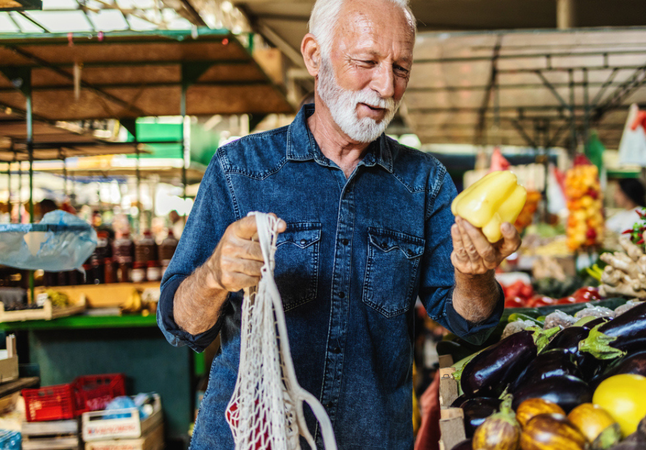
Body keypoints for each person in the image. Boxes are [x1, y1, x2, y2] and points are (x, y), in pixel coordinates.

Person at [156, 0, 520, 448]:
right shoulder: (240, 168)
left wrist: (474, 275)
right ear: (314, 56)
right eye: (366, 61)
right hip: (250, 437)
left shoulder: (424, 182)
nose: (386, 86)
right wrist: (213, 276)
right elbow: (180, 325)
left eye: (401, 68)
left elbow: (473, 325)